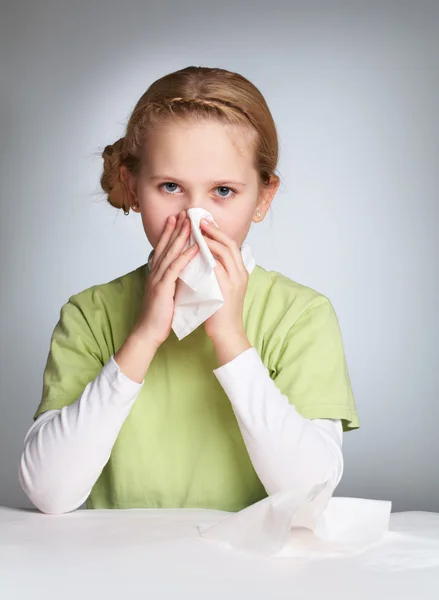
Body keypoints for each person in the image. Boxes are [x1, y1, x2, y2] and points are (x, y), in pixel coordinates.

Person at [19, 66, 359, 515]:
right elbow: (49, 493)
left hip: (251, 578)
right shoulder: (90, 314)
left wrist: (232, 341)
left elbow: (308, 494)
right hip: (115, 572)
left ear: (262, 197)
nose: (195, 219)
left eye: (223, 190)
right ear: (133, 188)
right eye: (171, 187)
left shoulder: (301, 315)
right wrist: (143, 337)